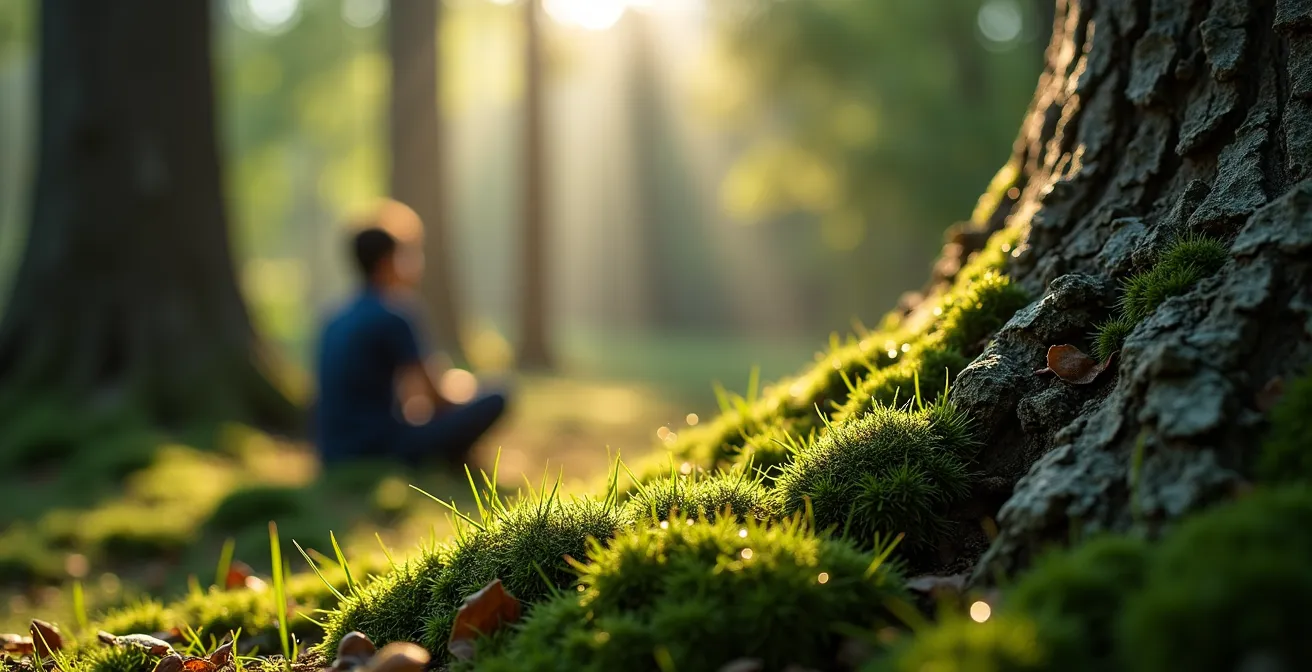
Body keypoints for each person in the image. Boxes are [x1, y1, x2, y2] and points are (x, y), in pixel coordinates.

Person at [313, 200, 506, 468]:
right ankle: (452, 462)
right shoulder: (396, 314)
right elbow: (436, 399)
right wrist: (466, 389)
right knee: (498, 395)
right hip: (379, 449)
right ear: (388, 262)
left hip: (332, 452)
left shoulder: (332, 317)